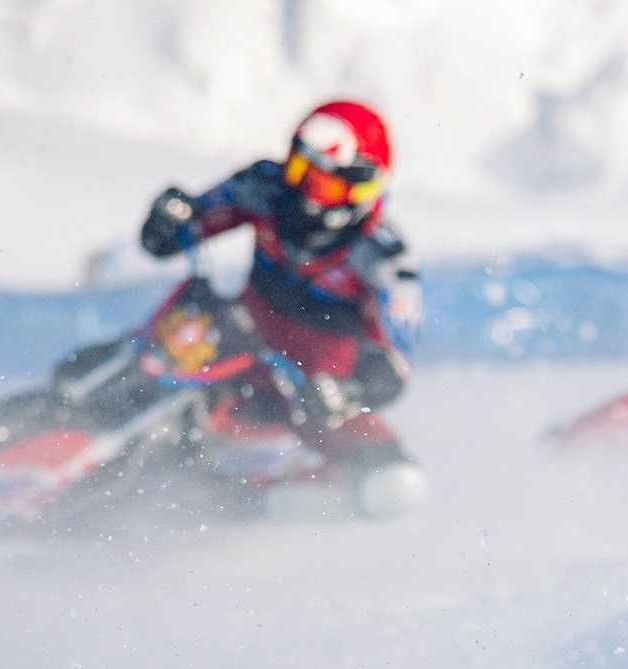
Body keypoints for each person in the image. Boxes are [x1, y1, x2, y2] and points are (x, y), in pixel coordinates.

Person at [137, 100, 427, 518]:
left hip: (308, 394)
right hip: (229, 344)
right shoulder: (265, 187)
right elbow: (180, 232)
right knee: (142, 363)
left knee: (396, 484)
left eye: (322, 184)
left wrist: (349, 392)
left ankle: (253, 508)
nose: (305, 194)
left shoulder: (383, 258)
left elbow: (396, 365)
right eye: (299, 170)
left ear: (359, 189)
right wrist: (169, 220)